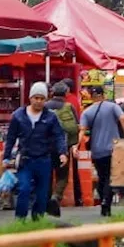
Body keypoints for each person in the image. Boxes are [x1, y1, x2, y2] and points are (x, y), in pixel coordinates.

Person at [4, 82, 68, 221]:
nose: (38, 101)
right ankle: (19, 221)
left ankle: (37, 221)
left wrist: (62, 152)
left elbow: (59, 135)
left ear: (46, 100)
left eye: (42, 98)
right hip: (25, 159)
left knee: (42, 193)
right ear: (30, 98)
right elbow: (11, 138)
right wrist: (6, 157)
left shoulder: (50, 117)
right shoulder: (18, 115)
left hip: (44, 160)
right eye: (36, 98)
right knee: (24, 189)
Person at [78, 84, 124, 217]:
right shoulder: (112, 107)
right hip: (113, 149)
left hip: (97, 150)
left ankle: (103, 199)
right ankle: (106, 201)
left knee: (101, 176)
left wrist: (76, 146)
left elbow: (82, 130)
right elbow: (123, 118)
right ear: (103, 95)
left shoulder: (87, 112)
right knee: (110, 177)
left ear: (91, 96)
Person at [45, 82, 81, 216]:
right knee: (62, 176)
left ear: (52, 92)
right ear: (66, 93)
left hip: (47, 147)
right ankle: (56, 196)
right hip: (63, 147)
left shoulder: (45, 106)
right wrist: (74, 145)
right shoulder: (69, 106)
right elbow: (76, 126)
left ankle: (46, 201)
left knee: (47, 176)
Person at [61, 80, 85, 208]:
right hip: (73, 140)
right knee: (74, 170)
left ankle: (71, 197)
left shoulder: (69, 101)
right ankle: (78, 197)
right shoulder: (74, 99)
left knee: (68, 170)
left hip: (69, 141)